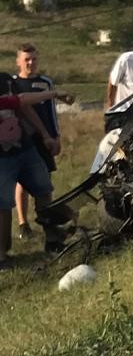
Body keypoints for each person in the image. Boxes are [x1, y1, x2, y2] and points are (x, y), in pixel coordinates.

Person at [12, 44, 71, 241]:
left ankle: (48, 223)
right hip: (21, 139)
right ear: (18, 61)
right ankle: (23, 223)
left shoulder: (45, 82)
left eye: (34, 59)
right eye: (26, 59)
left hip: (43, 138)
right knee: (22, 182)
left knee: (45, 180)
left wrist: (56, 136)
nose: (31, 63)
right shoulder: (13, 83)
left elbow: (51, 112)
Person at [0, 77, 60, 268]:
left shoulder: (5, 79)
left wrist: (45, 135)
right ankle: (2, 256)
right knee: (2, 205)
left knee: (44, 191)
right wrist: (55, 93)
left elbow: (23, 106)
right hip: (1, 159)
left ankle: (53, 239)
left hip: (25, 149)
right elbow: (20, 100)